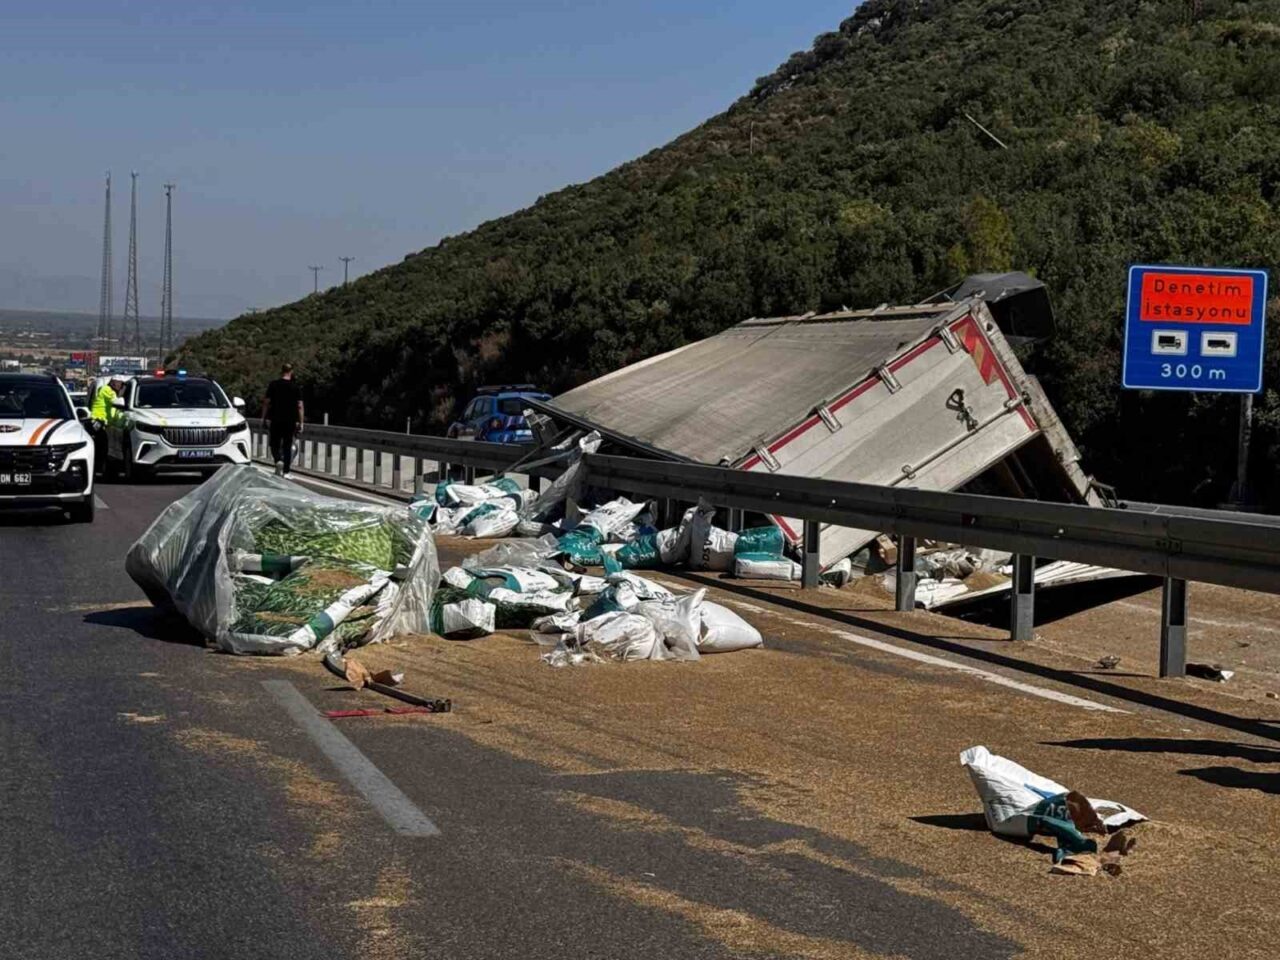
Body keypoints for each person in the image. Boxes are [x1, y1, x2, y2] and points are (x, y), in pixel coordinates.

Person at [262, 363, 304, 476]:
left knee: (274, 444)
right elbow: (300, 405)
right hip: (290, 421)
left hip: (275, 419)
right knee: (287, 444)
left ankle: (278, 460)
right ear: (291, 372)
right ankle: (286, 471)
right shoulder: (296, 387)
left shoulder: (273, 385)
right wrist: (301, 422)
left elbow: (266, 402)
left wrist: (264, 418)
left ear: (282, 371)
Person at [87, 376, 125, 474]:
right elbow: (118, 402)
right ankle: (96, 468)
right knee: (101, 445)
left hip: (103, 422)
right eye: (120, 383)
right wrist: (123, 394)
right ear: (113, 383)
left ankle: (98, 467)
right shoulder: (107, 390)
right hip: (97, 420)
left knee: (102, 445)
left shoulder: (107, 390)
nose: (121, 386)